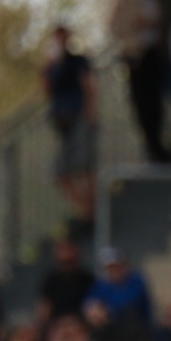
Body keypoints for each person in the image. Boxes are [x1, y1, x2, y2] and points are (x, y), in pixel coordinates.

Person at [111, 0, 171, 163]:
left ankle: (159, 144)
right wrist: (138, 26)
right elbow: (117, 23)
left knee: (156, 104)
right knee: (142, 103)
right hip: (137, 55)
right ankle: (150, 147)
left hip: (154, 54)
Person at [41, 25, 98, 239]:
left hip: (79, 119)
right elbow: (46, 88)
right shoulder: (53, 65)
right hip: (62, 123)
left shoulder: (78, 61)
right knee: (61, 172)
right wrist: (50, 63)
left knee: (84, 167)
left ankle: (92, 212)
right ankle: (85, 211)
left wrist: (91, 114)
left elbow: (89, 85)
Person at [83, 248, 155, 341]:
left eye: (117, 267)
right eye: (110, 268)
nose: (114, 271)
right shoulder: (102, 284)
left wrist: (107, 311)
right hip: (112, 329)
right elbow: (89, 303)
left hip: (136, 327)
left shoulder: (136, 281)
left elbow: (129, 302)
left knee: (128, 313)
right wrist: (95, 310)